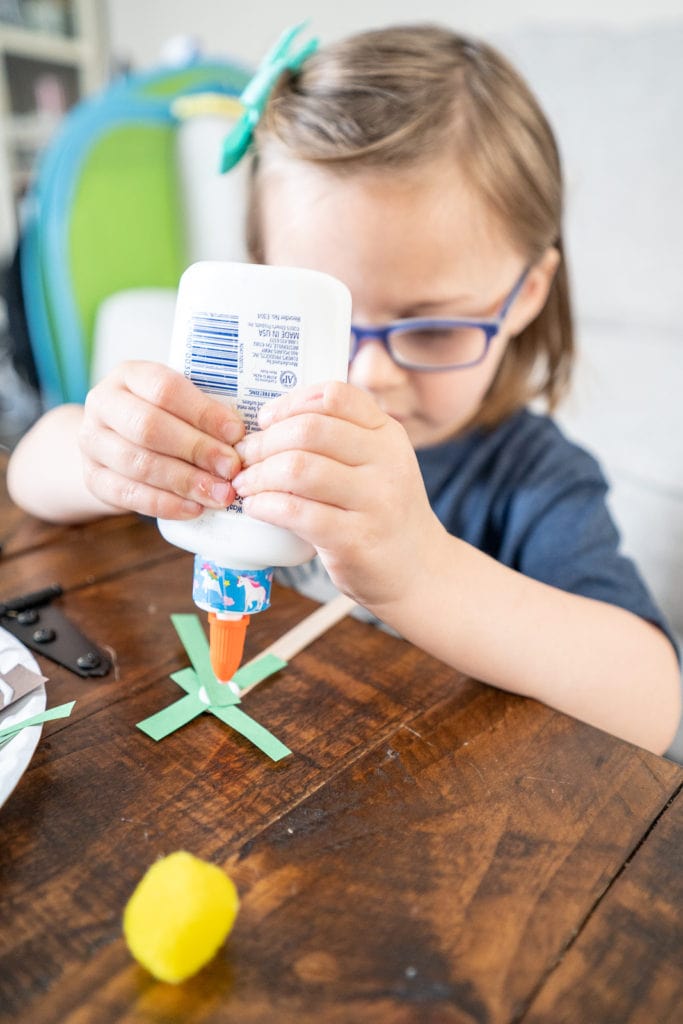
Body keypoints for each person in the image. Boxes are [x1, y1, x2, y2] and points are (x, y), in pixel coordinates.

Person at [7, 24, 680, 754]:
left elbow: (654, 701)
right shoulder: (232, 418)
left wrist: (421, 569)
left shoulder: (530, 478)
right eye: (329, 325)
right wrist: (108, 456)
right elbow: (30, 477)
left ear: (525, 295)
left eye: (430, 330)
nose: (367, 377)